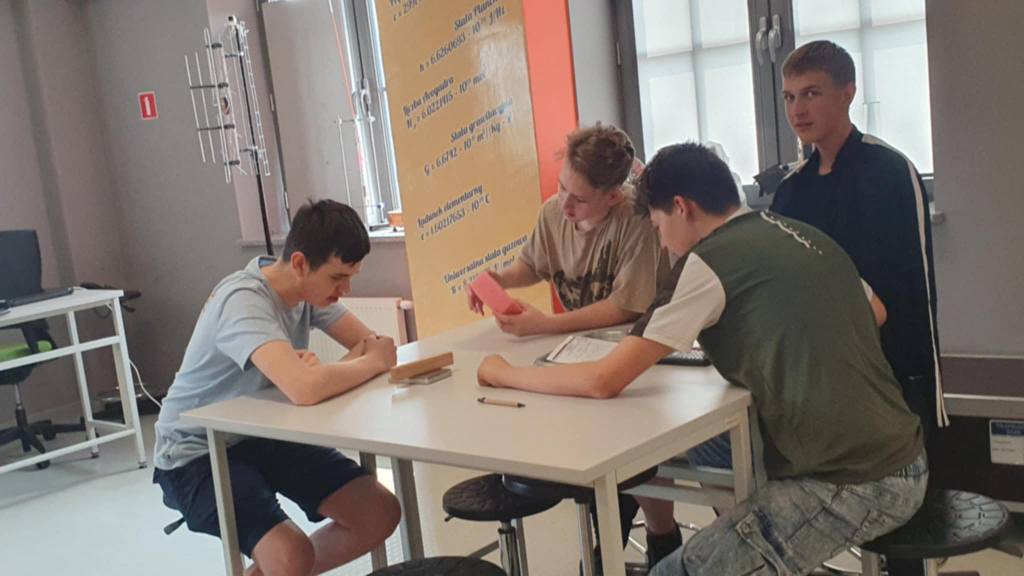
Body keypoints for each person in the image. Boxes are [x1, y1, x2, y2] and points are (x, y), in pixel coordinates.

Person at [477, 143, 928, 576]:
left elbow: (603, 380)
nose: (662, 241)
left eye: (658, 225)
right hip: (903, 450)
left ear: (682, 207)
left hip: (857, 481)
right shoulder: (799, 232)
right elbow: (875, 311)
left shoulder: (707, 263)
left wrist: (504, 373)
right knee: (705, 445)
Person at [153, 200, 401, 576]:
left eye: (351, 277)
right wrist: (330, 374)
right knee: (290, 554)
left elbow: (370, 344)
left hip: (266, 433)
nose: (346, 289)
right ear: (300, 264)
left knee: (378, 512)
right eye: (337, 277)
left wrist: (323, 374)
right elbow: (316, 384)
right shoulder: (243, 300)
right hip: (196, 451)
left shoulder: (308, 293)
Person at [771, 40, 947, 436]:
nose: (797, 110)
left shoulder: (890, 172)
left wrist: (919, 394)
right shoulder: (791, 190)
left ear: (847, 93)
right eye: (789, 97)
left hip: (887, 374)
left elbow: (915, 292)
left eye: (811, 94)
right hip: (816, 373)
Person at [468, 124, 668, 338]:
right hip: (583, 341)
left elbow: (624, 307)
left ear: (612, 197)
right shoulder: (551, 212)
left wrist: (545, 324)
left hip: (634, 340)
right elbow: (531, 265)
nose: (564, 204)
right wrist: (500, 279)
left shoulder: (637, 219)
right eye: (562, 187)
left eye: (580, 199)